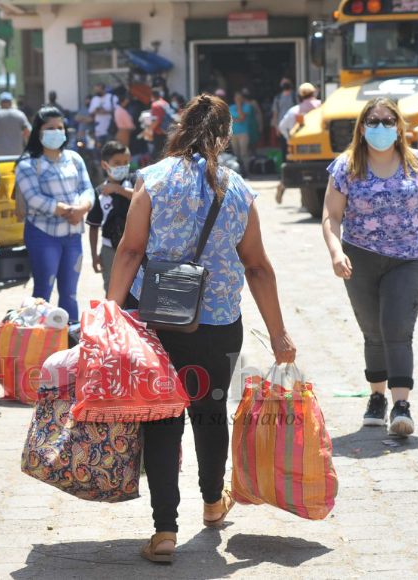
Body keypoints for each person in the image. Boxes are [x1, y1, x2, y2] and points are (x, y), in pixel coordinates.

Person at [107, 93, 296, 563]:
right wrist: (278, 334)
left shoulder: (152, 179)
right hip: (219, 324)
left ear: (180, 128)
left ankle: (165, 532)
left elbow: (130, 250)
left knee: (163, 421)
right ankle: (213, 504)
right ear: (225, 135)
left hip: (160, 322)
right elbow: (257, 266)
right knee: (211, 416)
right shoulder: (236, 188)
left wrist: (111, 311)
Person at [322, 97, 418, 436]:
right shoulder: (346, 166)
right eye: (373, 121)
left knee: (397, 329)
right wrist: (335, 252)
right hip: (360, 257)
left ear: (400, 127)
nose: (381, 127)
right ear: (362, 126)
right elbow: (331, 215)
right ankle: (377, 398)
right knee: (373, 331)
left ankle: (402, 406)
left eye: (388, 121)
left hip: (409, 258)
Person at [15, 106, 94, 321]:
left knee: (70, 293)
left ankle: (70, 340)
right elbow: (35, 199)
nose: (56, 131)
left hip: (72, 235)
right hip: (42, 234)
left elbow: (87, 189)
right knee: (43, 291)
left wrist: (83, 208)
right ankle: (36, 341)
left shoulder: (74, 158)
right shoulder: (28, 164)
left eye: (60, 127)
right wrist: (71, 210)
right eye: (50, 127)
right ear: (38, 131)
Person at [87, 141, 134, 295]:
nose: (122, 166)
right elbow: (94, 226)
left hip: (135, 247)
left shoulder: (135, 181)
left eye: (126, 162)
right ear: (105, 165)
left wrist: (118, 189)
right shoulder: (99, 192)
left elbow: (141, 197)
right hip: (109, 250)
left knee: (135, 287)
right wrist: (94, 255)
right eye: (117, 163)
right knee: (112, 289)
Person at [276, 83, 322, 203]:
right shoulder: (322, 107)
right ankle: (304, 201)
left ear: (300, 96)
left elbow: (281, 126)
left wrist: (289, 139)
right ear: (314, 93)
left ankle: (283, 186)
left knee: (301, 171)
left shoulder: (293, 110)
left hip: (299, 148)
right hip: (321, 148)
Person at [0, 92, 32, 156]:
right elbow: (27, 131)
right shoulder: (19, 114)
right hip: (17, 153)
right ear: (11, 103)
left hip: (1, 154)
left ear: (1, 103)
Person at [271, 78, 298, 164]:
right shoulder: (278, 98)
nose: (285, 84)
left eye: (287, 82)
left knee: (295, 148)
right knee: (284, 148)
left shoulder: (295, 95)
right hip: (282, 127)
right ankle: (285, 167)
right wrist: (276, 127)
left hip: (294, 127)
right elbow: (275, 114)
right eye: (283, 82)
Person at [229, 92, 251, 174]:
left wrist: (238, 107)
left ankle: (246, 171)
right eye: (237, 98)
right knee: (236, 153)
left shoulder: (246, 107)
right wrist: (236, 120)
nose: (238, 100)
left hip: (243, 133)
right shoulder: (230, 107)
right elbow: (229, 119)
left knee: (244, 153)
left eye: (240, 98)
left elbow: (242, 118)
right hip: (233, 133)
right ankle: (238, 171)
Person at [149, 88, 170, 163]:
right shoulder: (165, 103)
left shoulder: (155, 105)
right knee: (165, 153)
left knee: (157, 154)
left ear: (152, 96)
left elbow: (156, 121)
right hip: (166, 131)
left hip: (158, 132)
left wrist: (148, 129)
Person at [241, 88, 263, 155]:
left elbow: (259, 114)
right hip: (244, 125)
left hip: (253, 125)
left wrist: (261, 125)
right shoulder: (240, 103)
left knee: (254, 145)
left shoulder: (253, 102)